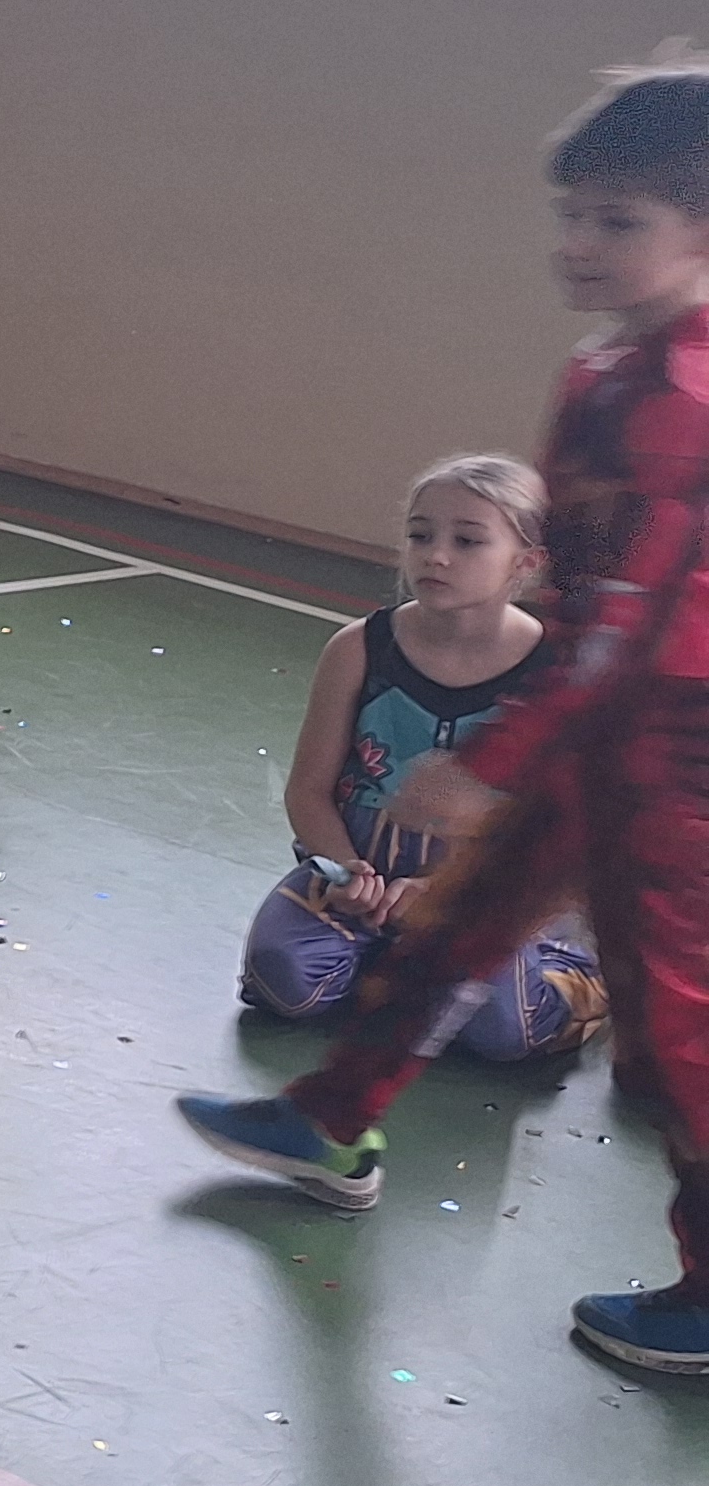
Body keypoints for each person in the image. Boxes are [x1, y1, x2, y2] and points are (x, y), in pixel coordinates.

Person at [180, 68, 709, 1382]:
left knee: (675, 1038)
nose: (579, 243)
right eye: (573, 213)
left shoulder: (678, 399)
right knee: (466, 920)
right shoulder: (607, 369)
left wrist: (494, 763)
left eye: (621, 221)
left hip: (669, 754)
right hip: (598, 732)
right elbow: (588, 595)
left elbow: (630, 622)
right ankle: (335, 1120)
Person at [234, 453, 600, 1064]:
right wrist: (348, 871)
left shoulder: (558, 675)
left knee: (504, 1030)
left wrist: (444, 895)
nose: (436, 556)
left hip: (488, 897)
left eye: (468, 541)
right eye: (420, 535)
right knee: (283, 980)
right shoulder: (359, 649)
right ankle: (393, 955)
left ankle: (576, 974)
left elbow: (568, 835)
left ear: (526, 562)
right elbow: (309, 791)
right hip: (364, 887)